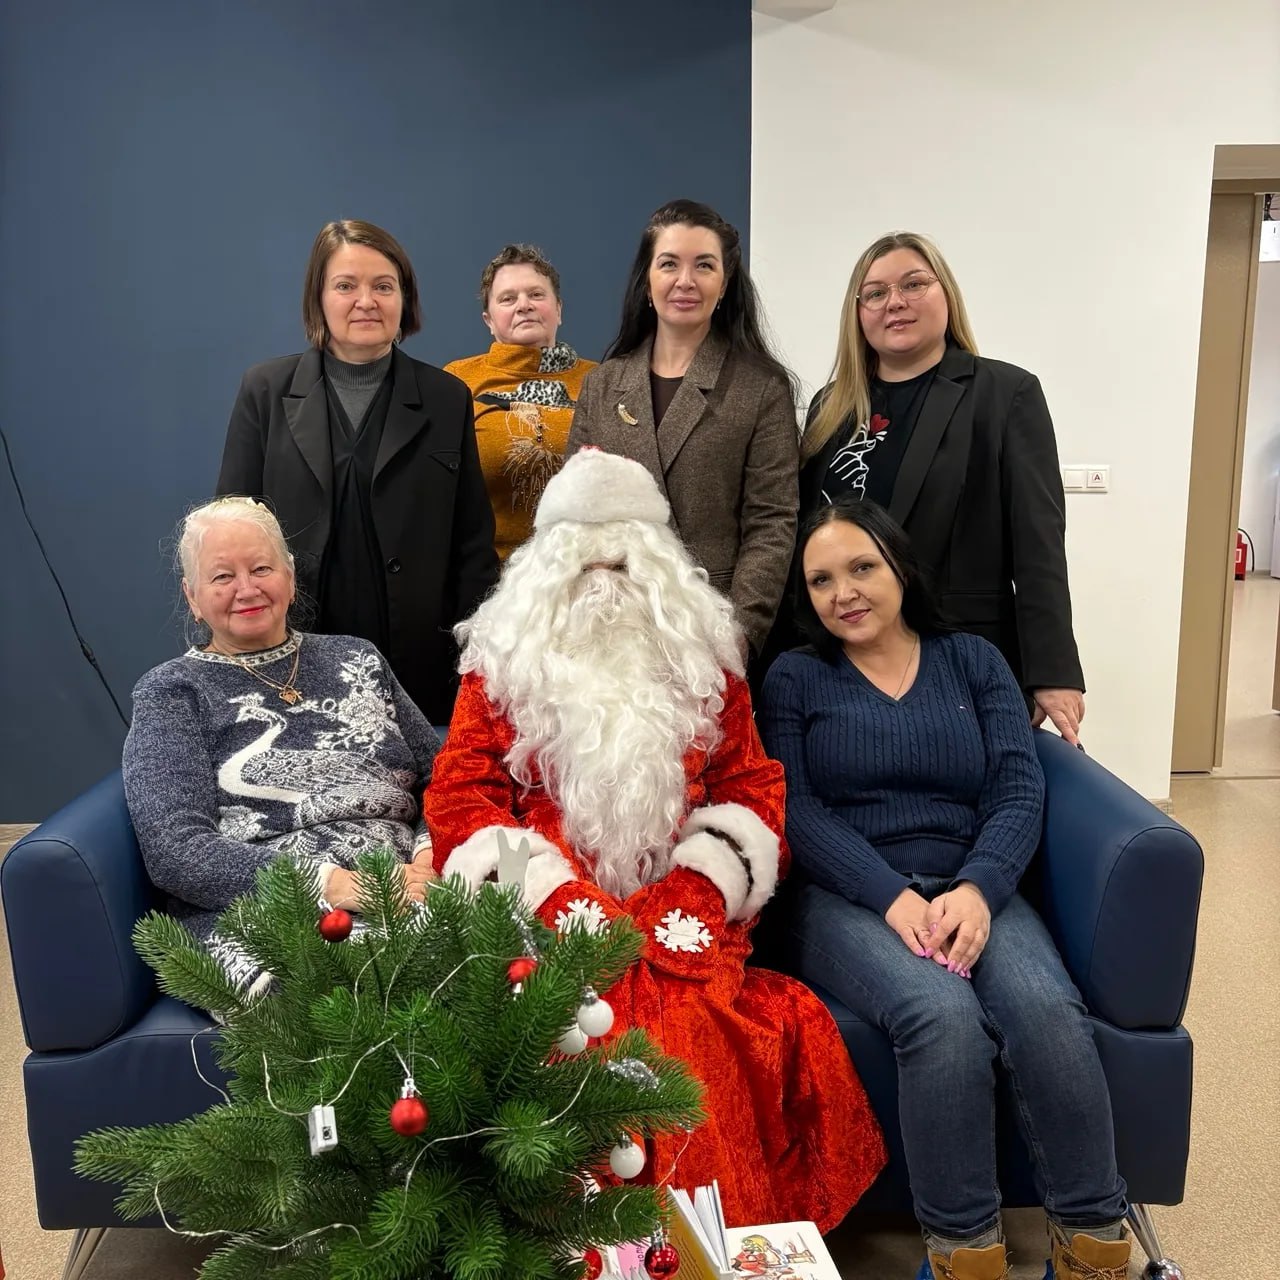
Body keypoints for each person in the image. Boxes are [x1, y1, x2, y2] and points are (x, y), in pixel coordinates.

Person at [425, 449, 885, 1233]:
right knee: (563, 1023)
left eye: (624, 564)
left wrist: (698, 888)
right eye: (586, 565)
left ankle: (701, 1245)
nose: (605, 582)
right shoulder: (500, 668)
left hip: (683, 912)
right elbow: (461, 798)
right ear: (546, 574)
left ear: (662, 570)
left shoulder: (706, 666)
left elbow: (749, 786)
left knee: (688, 1026)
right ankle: (580, 1245)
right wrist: (551, 894)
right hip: (540, 914)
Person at [759, 499, 1130, 1280]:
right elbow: (796, 809)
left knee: (1047, 1010)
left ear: (900, 566)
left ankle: (1093, 1240)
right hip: (847, 895)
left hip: (971, 881)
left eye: (862, 567)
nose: (843, 593)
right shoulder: (795, 676)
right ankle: (965, 1253)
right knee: (941, 1017)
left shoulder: (974, 660)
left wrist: (979, 889)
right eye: (821, 580)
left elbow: (1017, 788)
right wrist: (889, 894)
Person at [123, 497, 440, 998]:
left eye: (261, 569)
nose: (246, 589)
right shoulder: (172, 692)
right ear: (192, 596)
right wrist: (335, 885)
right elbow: (176, 850)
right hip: (271, 905)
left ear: (290, 579)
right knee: (360, 1002)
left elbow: (441, 774)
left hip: (413, 879)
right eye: (222, 576)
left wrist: (430, 855)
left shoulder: (358, 656)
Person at [787, 231, 1084, 744]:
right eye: (875, 292)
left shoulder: (1005, 394)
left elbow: (1039, 545)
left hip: (959, 656)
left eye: (913, 284)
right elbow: (809, 540)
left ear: (946, 293)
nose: (895, 302)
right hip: (843, 661)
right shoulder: (831, 407)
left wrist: (1053, 670)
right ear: (857, 312)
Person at [216, 219, 499, 725]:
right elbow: (229, 531)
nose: (366, 301)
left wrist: (477, 665)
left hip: (419, 667)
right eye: (346, 285)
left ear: (404, 300)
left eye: (383, 286)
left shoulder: (446, 398)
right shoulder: (265, 390)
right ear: (318, 298)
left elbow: (472, 546)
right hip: (289, 658)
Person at [566, 199, 799, 658]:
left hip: (711, 627)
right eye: (669, 263)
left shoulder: (761, 388)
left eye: (704, 265)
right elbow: (573, 513)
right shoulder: (602, 385)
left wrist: (738, 631)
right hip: (610, 633)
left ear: (724, 283)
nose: (685, 280)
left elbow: (772, 521)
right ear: (647, 279)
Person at [444, 244, 597, 560]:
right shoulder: (457, 380)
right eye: (508, 299)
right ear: (488, 319)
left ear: (559, 309)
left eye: (536, 295)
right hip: (490, 574)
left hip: (583, 570)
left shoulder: (600, 380)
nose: (524, 305)